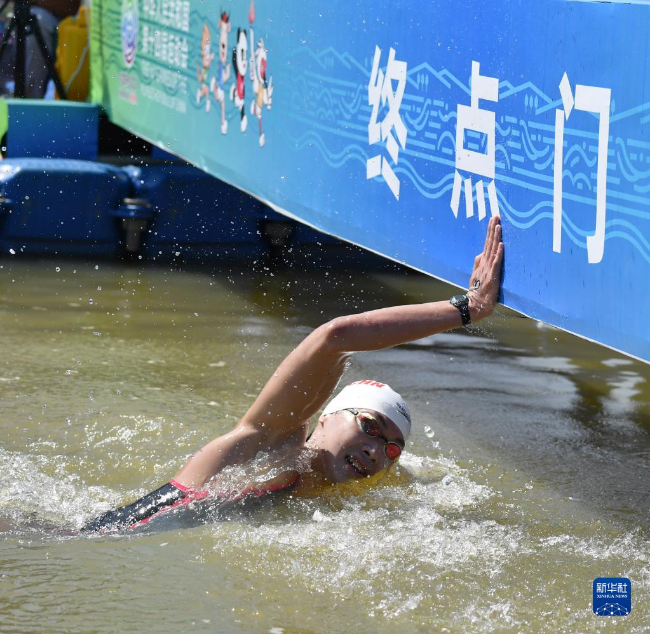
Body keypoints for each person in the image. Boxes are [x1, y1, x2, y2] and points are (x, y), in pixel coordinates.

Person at [83, 216, 504, 532]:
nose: (376, 451)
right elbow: (336, 337)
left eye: (391, 450)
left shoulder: (329, 497)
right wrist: (468, 308)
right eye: (371, 426)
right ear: (326, 416)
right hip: (94, 539)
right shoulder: (267, 444)